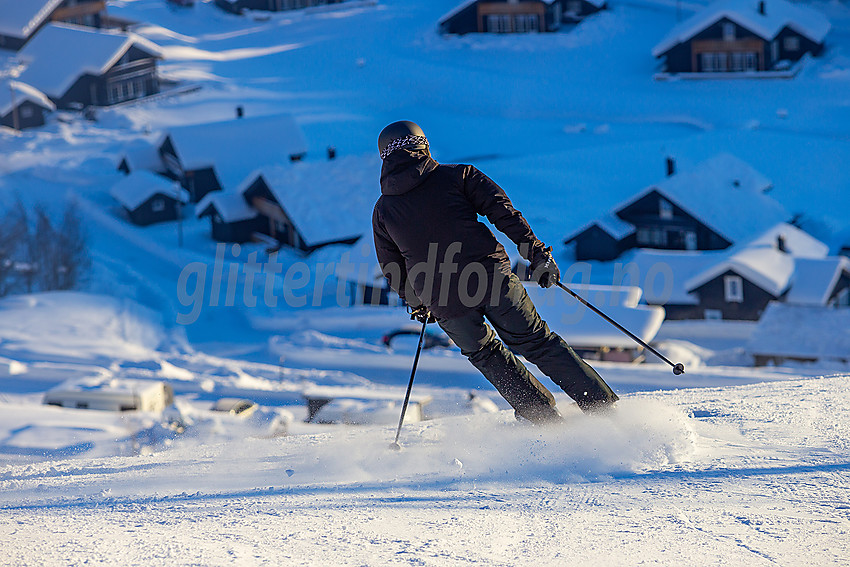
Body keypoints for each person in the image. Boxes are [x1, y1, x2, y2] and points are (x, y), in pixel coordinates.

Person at [372, 121, 618, 424]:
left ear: (385, 155)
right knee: (537, 342)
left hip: (442, 298)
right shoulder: (459, 176)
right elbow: (504, 213)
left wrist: (417, 302)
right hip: (490, 277)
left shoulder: (383, 209)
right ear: (422, 144)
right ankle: (602, 408)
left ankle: (544, 421)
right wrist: (537, 256)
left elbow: (392, 266)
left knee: (486, 355)